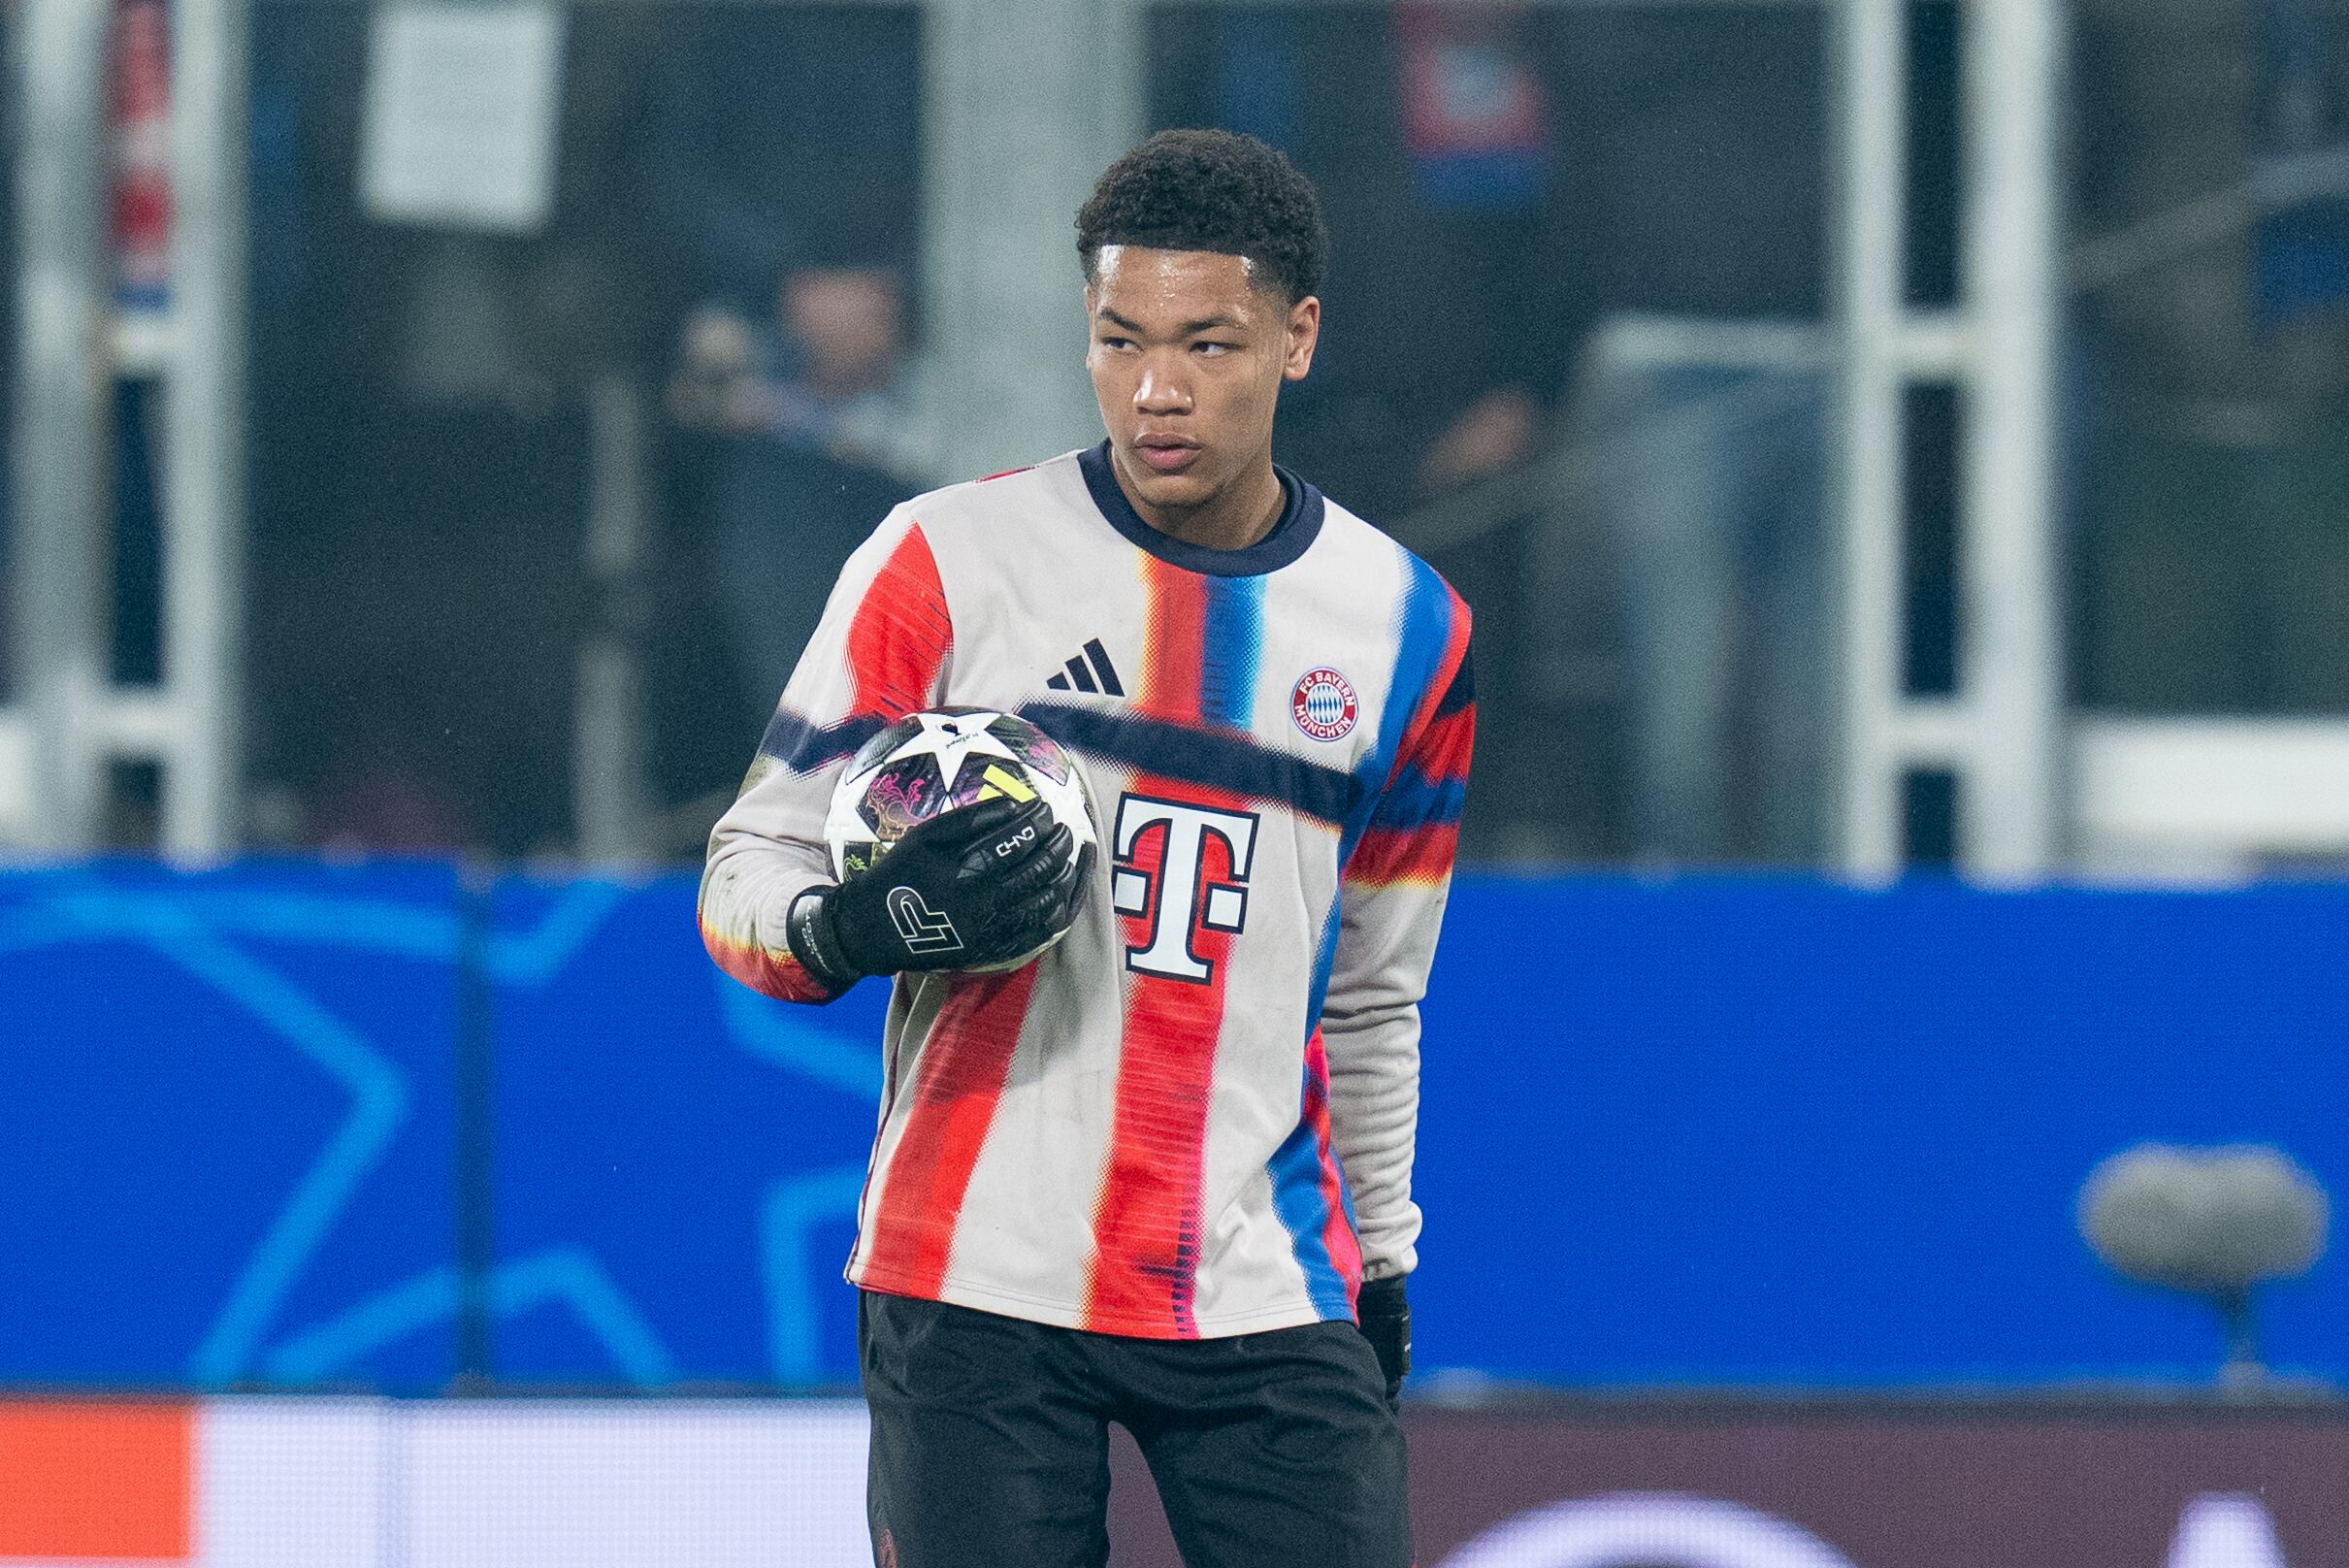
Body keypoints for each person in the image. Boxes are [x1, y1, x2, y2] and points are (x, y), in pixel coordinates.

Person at [699, 128, 1474, 1568]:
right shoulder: (944, 558)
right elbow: (746, 870)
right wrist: (851, 927)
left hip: (1264, 1283)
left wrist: (1380, 1259)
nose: (1156, 390)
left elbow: (1374, 996)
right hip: (974, 1275)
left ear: (1298, 338)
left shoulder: (1408, 628)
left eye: (1207, 344)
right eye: (1121, 340)